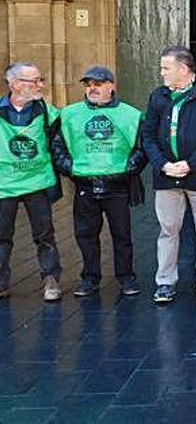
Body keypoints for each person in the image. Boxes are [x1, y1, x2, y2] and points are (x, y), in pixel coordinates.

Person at [142, 46, 196, 304]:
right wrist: (162, 164)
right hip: (167, 176)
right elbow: (147, 135)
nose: (161, 73)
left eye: (165, 68)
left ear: (183, 68)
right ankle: (165, 282)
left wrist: (191, 164)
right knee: (168, 230)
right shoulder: (158, 96)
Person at [52, 66, 147, 297]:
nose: (92, 88)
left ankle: (126, 278)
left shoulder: (130, 114)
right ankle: (90, 278)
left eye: (98, 83)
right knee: (86, 235)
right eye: (88, 84)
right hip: (84, 184)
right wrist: (71, 169)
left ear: (111, 85)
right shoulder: (69, 114)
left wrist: (128, 168)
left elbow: (142, 147)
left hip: (117, 185)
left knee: (122, 236)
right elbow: (57, 146)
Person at [0, 62, 62, 301]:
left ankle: (51, 279)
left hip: (38, 183)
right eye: (34, 81)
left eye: (41, 79)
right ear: (15, 84)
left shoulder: (48, 111)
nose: (41, 85)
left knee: (45, 235)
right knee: (2, 236)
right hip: (4, 185)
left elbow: (60, 143)